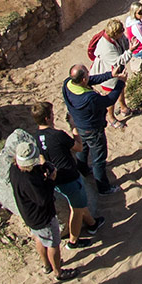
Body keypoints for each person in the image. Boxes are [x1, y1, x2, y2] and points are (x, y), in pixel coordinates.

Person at [2, 132, 70, 280]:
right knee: (53, 244)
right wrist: (51, 180)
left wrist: (42, 170)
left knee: (39, 238)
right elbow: (43, 199)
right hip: (43, 217)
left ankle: (46, 265)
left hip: (30, 216)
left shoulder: (14, 169)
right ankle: (58, 272)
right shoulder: (30, 180)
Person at [28, 102, 97, 244]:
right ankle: (73, 241)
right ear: (47, 118)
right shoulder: (58, 135)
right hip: (69, 178)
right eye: (52, 114)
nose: (53, 116)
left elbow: (41, 158)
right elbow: (79, 147)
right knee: (77, 209)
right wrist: (73, 127)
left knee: (79, 202)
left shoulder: (36, 137)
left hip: (55, 179)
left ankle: (92, 223)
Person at [63, 64, 124, 195]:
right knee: (99, 159)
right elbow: (108, 100)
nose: (89, 75)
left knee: (83, 149)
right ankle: (103, 188)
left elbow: (90, 80)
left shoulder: (68, 84)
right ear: (83, 79)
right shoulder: (89, 98)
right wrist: (120, 83)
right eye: (87, 74)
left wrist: (110, 75)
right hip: (93, 130)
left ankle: (83, 170)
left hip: (79, 125)